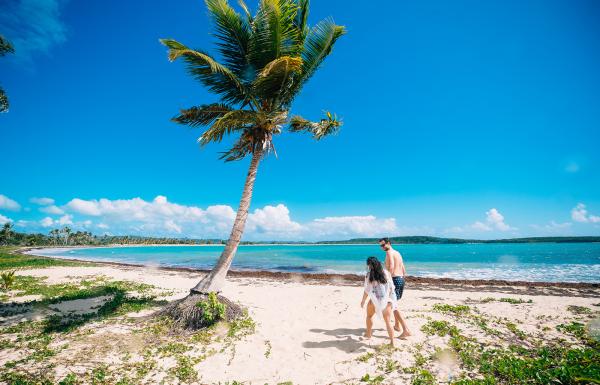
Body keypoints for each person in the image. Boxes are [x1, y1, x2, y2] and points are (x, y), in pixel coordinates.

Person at [360, 256, 396, 346]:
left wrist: (363, 301)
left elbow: (367, 290)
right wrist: (389, 298)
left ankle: (368, 334)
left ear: (369, 265)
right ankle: (392, 342)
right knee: (388, 321)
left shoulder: (369, 275)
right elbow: (391, 288)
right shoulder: (386, 273)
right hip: (386, 300)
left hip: (374, 301)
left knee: (369, 316)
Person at [379, 237, 411, 338]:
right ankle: (397, 325)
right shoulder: (397, 252)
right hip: (400, 279)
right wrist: (402, 278)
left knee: (393, 305)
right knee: (394, 303)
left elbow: (392, 266)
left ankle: (406, 330)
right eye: (380, 246)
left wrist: (388, 279)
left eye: (383, 245)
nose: (382, 247)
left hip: (394, 279)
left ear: (389, 243)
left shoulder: (389, 253)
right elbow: (403, 267)